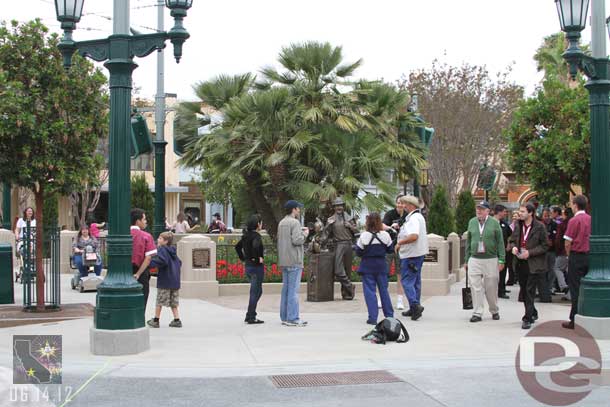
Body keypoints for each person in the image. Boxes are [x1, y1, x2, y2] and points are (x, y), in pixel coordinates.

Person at [508, 203, 548, 330]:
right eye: (520, 211)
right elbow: (512, 239)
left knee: (529, 290)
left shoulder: (540, 227)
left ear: (531, 213)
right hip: (520, 263)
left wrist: (529, 253)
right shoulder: (518, 226)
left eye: (523, 211)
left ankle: (527, 318)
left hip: (533, 264)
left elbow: (545, 245)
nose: (520, 213)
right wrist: (514, 247)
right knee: (524, 290)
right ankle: (533, 312)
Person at [464, 201, 505, 322]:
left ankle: (494, 309)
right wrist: (466, 259)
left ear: (488, 211)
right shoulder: (472, 222)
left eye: (482, 209)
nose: (479, 211)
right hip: (475, 259)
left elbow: (500, 242)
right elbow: (468, 242)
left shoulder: (494, 223)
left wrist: (502, 259)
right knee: (475, 286)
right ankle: (477, 312)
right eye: (477, 209)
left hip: (491, 259)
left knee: (491, 286)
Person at [355, 212, 395, 325]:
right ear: (379, 222)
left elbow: (358, 252)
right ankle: (389, 315)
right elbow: (390, 249)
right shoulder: (385, 235)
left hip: (367, 266)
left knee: (370, 292)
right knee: (384, 291)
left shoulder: (364, 235)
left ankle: (372, 317)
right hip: (381, 265)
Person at [396, 195, 428, 321]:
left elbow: (414, 236)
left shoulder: (413, 219)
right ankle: (414, 306)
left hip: (411, 255)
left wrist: (400, 243)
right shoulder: (418, 217)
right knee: (415, 281)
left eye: (404, 204)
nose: (403, 206)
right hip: (417, 254)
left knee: (407, 281)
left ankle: (415, 306)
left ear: (411, 205)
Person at [277, 200, 309, 327]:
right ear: (293, 209)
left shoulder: (282, 223)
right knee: (293, 291)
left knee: (286, 290)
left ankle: (284, 317)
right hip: (294, 260)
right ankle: (293, 318)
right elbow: (297, 240)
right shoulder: (295, 222)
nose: (299, 210)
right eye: (298, 208)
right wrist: (305, 234)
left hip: (284, 260)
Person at [562, 195, 591, 330]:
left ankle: (574, 318)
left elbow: (567, 242)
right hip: (589, 256)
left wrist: (569, 256)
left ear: (575, 205)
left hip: (576, 256)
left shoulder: (574, 220)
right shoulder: (590, 219)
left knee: (575, 288)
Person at [147, 232, 183, 328]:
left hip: (165, 280)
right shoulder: (173, 251)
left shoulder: (162, 249)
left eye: (160, 238)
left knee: (160, 301)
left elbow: (162, 261)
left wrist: (150, 263)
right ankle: (177, 319)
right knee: (173, 302)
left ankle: (156, 320)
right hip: (174, 281)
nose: (158, 240)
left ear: (166, 241)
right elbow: (179, 262)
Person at [235, 214, 265, 324]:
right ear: (258, 224)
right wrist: (257, 259)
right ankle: (251, 316)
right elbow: (256, 247)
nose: (262, 224)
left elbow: (237, 247)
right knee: (256, 291)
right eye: (261, 222)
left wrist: (243, 258)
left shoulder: (246, 235)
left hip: (248, 266)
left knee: (257, 291)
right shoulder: (256, 236)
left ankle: (250, 314)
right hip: (256, 268)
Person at [324, 197, 356, 300]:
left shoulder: (349, 218)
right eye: (337, 206)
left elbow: (357, 232)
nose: (339, 207)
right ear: (334, 207)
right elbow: (326, 234)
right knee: (338, 270)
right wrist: (328, 226)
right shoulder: (331, 219)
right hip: (338, 244)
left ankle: (347, 294)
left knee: (347, 270)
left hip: (349, 244)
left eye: (341, 205)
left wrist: (351, 226)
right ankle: (350, 286)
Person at [382, 195, 406, 309]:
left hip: (402, 248)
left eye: (402, 203)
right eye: (398, 203)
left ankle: (400, 300)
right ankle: (382, 298)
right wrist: (391, 227)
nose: (400, 205)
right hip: (389, 247)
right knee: (384, 273)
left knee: (400, 274)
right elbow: (382, 225)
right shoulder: (390, 214)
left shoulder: (407, 216)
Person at [131, 208, 157, 310]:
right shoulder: (146, 236)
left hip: (125, 272)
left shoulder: (124, 234)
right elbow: (148, 257)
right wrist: (138, 273)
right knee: (142, 297)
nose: (146, 222)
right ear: (138, 221)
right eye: (144, 219)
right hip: (141, 272)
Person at [553, 208, 572, 296]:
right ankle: (569, 294)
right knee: (570, 272)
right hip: (575, 251)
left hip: (563, 251)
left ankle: (563, 286)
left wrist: (558, 250)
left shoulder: (562, 225)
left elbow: (558, 239)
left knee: (557, 268)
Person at [494, 204, 512, 299]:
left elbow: (510, 235)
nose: (505, 213)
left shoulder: (504, 224)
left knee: (502, 271)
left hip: (502, 252)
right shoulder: (490, 223)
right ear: (499, 212)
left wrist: (509, 244)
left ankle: (501, 290)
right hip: (491, 252)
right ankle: (491, 290)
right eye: (504, 211)